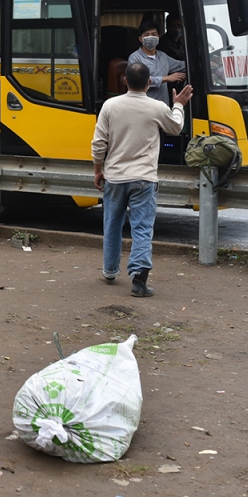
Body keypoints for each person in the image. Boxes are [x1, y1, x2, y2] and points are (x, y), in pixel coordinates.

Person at [92, 61, 193, 297]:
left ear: (125, 81)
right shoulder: (156, 107)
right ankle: (139, 279)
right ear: (149, 83)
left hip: (115, 177)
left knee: (112, 224)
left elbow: (99, 144)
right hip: (144, 179)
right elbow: (176, 128)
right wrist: (178, 105)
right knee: (142, 229)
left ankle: (109, 270)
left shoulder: (110, 106)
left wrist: (98, 170)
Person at [128, 19, 185, 104]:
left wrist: (207, 64)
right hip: (144, 107)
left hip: (163, 107)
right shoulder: (135, 58)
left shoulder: (162, 56)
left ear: (158, 37)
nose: (150, 37)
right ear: (140, 39)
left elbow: (180, 65)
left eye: (154, 34)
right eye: (147, 35)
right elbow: (138, 81)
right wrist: (166, 78)